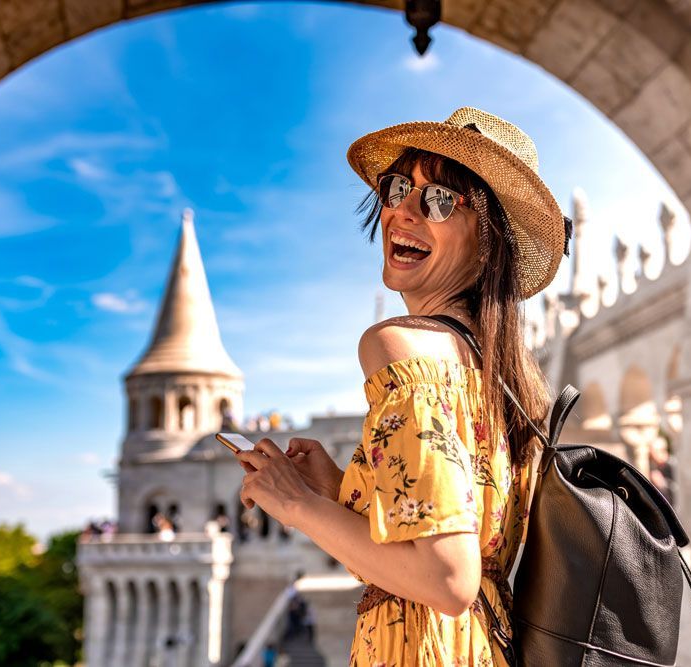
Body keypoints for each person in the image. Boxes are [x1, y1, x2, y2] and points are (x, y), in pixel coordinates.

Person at [234, 107, 567, 666]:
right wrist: (332, 492)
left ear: (489, 243)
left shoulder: (399, 348)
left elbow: (446, 580)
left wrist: (293, 504)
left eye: (438, 200)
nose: (402, 212)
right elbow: (421, 561)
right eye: (397, 189)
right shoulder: (504, 374)